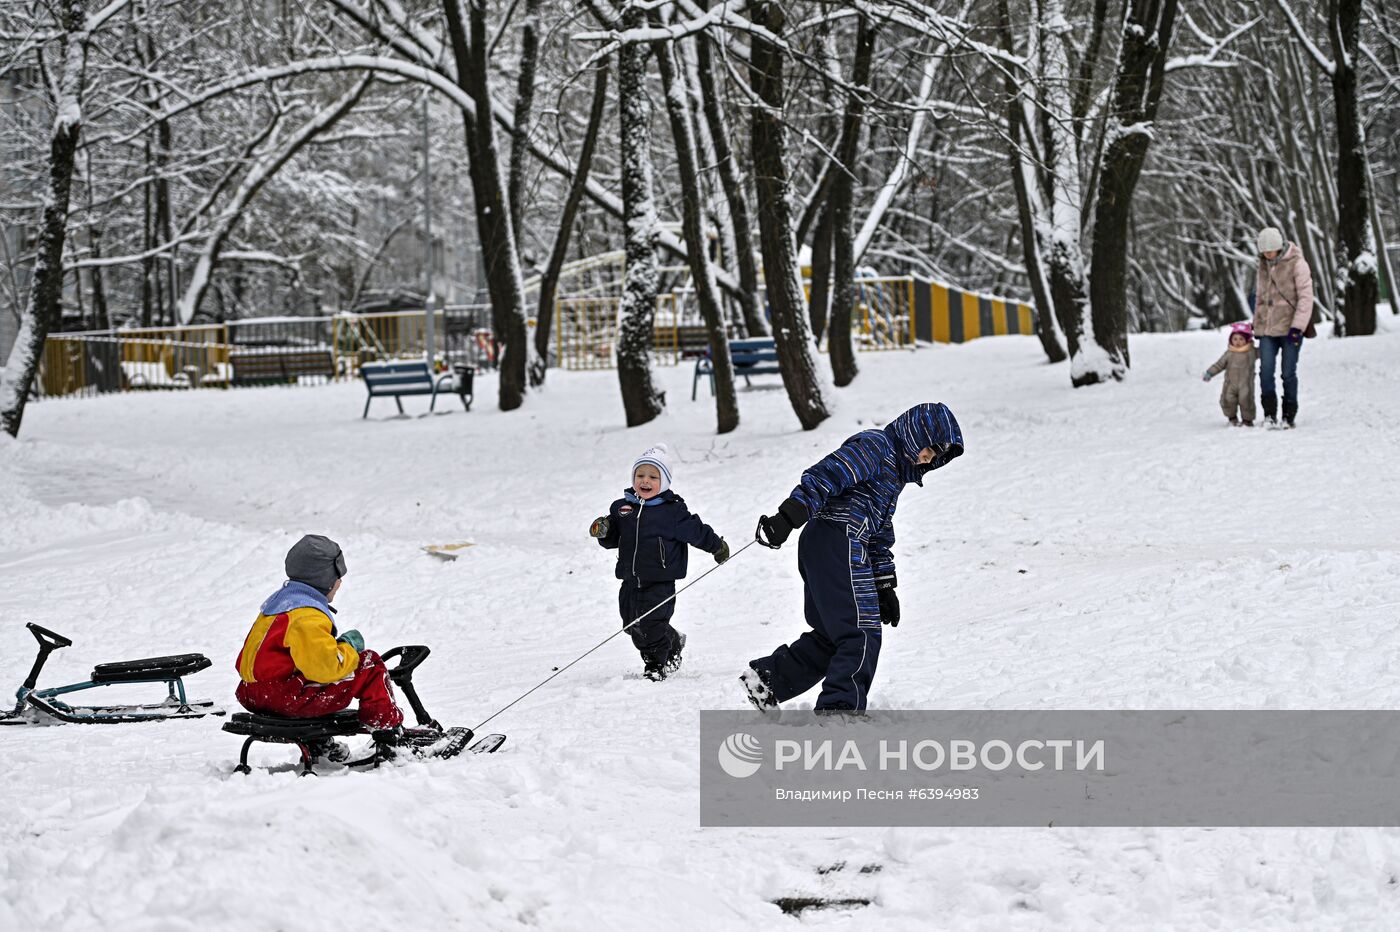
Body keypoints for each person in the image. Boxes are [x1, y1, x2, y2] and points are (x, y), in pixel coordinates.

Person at [742, 403, 964, 713]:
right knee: (861, 631)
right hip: (836, 539)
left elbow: (879, 532)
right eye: (932, 447)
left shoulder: (894, 475)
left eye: (938, 456)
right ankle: (839, 710)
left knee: (834, 635)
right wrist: (790, 514)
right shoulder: (876, 446)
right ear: (917, 432)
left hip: (836, 544)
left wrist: (884, 585)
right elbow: (830, 474)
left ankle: (768, 680)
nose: (930, 458)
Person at [234, 534, 407, 759]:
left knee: (308, 676)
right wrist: (348, 648)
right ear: (324, 580)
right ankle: (389, 734)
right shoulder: (306, 614)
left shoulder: (280, 604)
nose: (340, 583)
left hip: (253, 692)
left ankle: (318, 742)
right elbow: (327, 669)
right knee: (369, 664)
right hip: (283, 698)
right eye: (337, 577)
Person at [590, 444, 728, 681]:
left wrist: (716, 546)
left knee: (649, 625)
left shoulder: (672, 512)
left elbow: (696, 531)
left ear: (664, 482)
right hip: (630, 579)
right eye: (640, 475)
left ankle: (657, 664)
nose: (645, 481)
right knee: (631, 624)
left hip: (660, 581)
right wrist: (604, 531)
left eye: (653, 476)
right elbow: (614, 539)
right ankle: (673, 639)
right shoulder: (622, 509)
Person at [1252, 227, 1313, 428]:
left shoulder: (1297, 263)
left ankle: (1289, 414)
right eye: (1265, 252)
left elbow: (1305, 298)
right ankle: (1269, 414)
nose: (1268, 255)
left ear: (1279, 247)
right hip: (1268, 330)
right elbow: (1260, 297)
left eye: (1271, 251)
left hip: (1290, 329)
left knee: (1288, 372)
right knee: (1265, 371)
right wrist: (1257, 323)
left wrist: (1298, 328)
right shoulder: (1262, 265)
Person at [1202, 322, 1258, 426]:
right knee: (1228, 400)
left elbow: (1264, 353)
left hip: (1245, 384)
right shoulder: (1229, 353)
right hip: (1230, 384)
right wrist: (1210, 372)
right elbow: (1219, 364)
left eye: (1241, 339)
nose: (1238, 342)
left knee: (1246, 401)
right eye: (1235, 339)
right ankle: (1232, 418)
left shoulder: (1251, 352)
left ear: (1247, 340)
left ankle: (1247, 420)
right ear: (1231, 340)